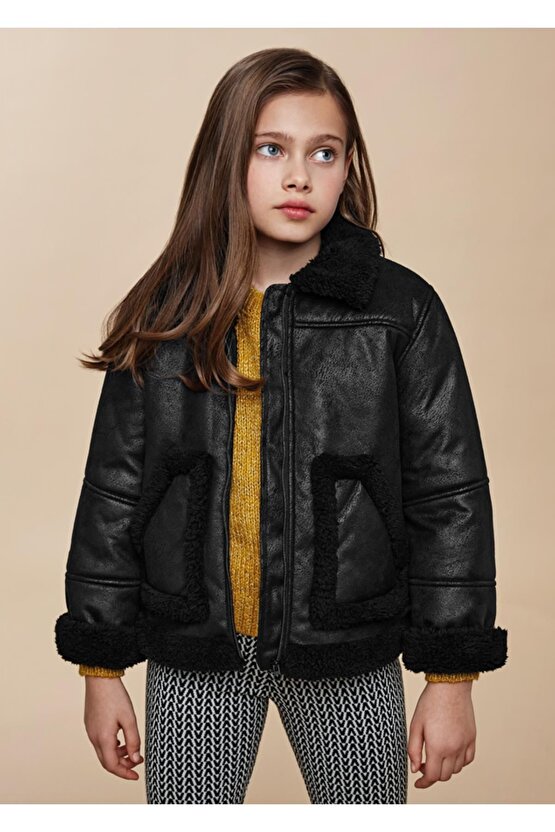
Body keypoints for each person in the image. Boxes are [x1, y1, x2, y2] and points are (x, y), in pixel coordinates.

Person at [54, 47, 508, 804]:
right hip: (196, 652)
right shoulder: (168, 314)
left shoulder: (399, 312)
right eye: (271, 149)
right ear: (225, 160)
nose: (299, 176)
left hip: (346, 646)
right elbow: (114, 493)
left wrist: (450, 676)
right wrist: (100, 667)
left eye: (323, 153)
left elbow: (448, 494)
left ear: (347, 167)